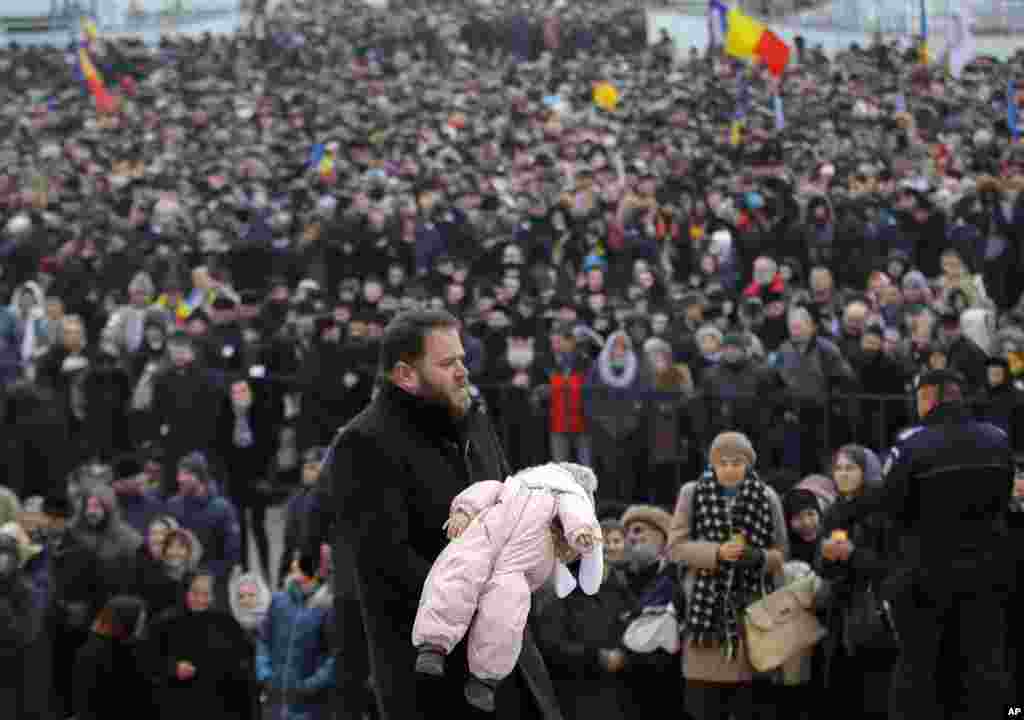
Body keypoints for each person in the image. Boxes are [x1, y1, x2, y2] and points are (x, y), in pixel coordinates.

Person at [306, 309, 562, 720]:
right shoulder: (364, 443)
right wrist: (484, 595)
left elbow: (508, 507)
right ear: (405, 375)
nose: (462, 372)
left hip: (510, 660)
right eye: (447, 364)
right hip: (432, 678)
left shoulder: (474, 421)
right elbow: (386, 561)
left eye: (462, 359)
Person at [831, 369, 1015, 719]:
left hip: (925, 571)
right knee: (984, 663)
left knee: (918, 666)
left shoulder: (912, 443)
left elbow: (892, 502)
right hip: (987, 568)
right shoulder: (997, 439)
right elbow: (1004, 496)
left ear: (928, 397)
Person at [412, 463, 602, 713]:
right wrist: (464, 511)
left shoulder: (557, 498)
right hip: (489, 538)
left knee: (500, 607)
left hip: (513, 558)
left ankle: (482, 677)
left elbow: (577, 516)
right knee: (461, 577)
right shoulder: (512, 487)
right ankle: (435, 646)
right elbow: (483, 492)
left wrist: (580, 533)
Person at [667, 431, 788, 720]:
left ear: (748, 464)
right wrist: (716, 553)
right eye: (723, 462)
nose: (730, 468)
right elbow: (675, 548)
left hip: (751, 615)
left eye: (737, 462)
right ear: (712, 464)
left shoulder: (767, 496)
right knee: (704, 707)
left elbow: (780, 553)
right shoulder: (692, 493)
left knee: (749, 704)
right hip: (705, 620)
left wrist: (755, 557)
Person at [147, 570, 255, 720]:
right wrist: (172, 668)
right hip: (177, 705)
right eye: (195, 592)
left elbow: (244, 662)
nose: (200, 599)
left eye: (206, 594)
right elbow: (147, 660)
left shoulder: (226, 623)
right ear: (184, 591)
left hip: (220, 706)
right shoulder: (165, 622)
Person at [256, 551, 336, 720]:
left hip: (309, 708)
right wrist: (265, 674)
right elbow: (264, 639)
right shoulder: (278, 601)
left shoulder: (328, 609)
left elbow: (335, 656)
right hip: (274, 704)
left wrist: (310, 685)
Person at [73, 595, 153, 720]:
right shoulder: (103, 655)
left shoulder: (114, 647)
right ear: (124, 620)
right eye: (139, 621)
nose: (142, 626)